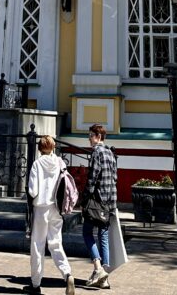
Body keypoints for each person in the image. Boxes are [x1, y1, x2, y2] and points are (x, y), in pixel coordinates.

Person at [26, 134, 75, 295]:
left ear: (40, 148)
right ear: (53, 147)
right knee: (56, 243)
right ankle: (67, 274)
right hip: (57, 208)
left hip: (41, 208)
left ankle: (35, 284)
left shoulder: (37, 164)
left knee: (37, 245)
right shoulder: (60, 162)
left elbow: (33, 190)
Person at [82, 124, 117, 290]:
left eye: (90, 135)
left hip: (97, 202)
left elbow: (92, 178)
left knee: (87, 232)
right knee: (103, 235)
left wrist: (84, 197)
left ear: (98, 136)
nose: (89, 139)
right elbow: (115, 177)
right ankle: (105, 277)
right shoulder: (110, 152)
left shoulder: (97, 152)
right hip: (110, 202)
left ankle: (98, 268)